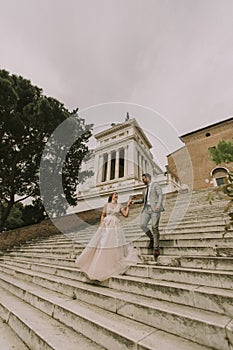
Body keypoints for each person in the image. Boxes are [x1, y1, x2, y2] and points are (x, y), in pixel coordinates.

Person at [75, 192, 140, 281]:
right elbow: (103, 215)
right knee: (104, 242)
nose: (116, 195)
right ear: (111, 196)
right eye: (115, 194)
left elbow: (126, 215)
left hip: (116, 225)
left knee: (115, 243)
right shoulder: (106, 205)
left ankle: (114, 263)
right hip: (107, 224)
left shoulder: (120, 205)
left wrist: (128, 206)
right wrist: (102, 224)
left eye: (117, 194)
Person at [133, 173, 164, 259]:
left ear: (148, 178)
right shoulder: (144, 190)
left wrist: (158, 204)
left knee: (154, 226)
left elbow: (160, 195)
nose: (143, 181)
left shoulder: (155, 185)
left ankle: (156, 248)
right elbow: (143, 200)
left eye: (143, 179)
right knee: (142, 225)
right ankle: (152, 238)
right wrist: (134, 202)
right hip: (146, 209)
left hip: (155, 209)